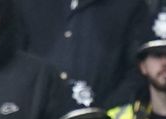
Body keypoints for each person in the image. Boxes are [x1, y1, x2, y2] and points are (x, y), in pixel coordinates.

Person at [14, 0, 149, 107]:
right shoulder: (27, 4)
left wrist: (103, 112)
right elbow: (14, 62)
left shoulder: (128, 5)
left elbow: (139, 69)